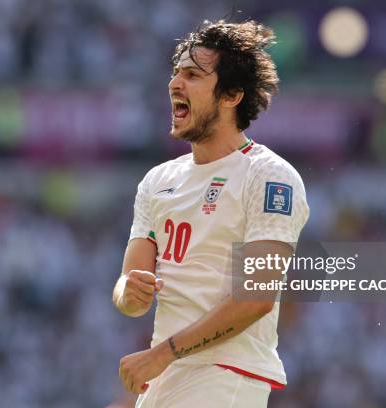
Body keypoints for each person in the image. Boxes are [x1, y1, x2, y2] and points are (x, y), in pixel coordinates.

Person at [113, 19, 309, 407]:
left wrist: (163, 352)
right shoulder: (158, 180)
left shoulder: (269, 176)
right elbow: (130, 295)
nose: (174, 84)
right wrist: (127, 291)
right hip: (164, 378)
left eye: (192, 74)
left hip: (226, 376)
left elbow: (255, 298)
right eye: (175, 73)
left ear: (232, 94)